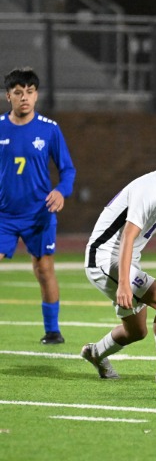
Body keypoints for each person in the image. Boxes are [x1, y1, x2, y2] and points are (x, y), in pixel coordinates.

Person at [82, 132, 156, 384]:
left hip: (119, 260)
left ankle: (95, 353)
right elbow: (128, 236)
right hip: (105, 259)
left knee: (136, 331)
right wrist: (124, 283)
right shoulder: (151, 189)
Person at [0, 67, 76, 345]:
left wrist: (61, 191)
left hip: (39, 214)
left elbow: (67, 170)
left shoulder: (49, 129)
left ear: (36, 95)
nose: (25, 97)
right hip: (4, 215)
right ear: (8, 96)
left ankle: (53, 331)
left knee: (44, 269)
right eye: (18, 92)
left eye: (30, 92)